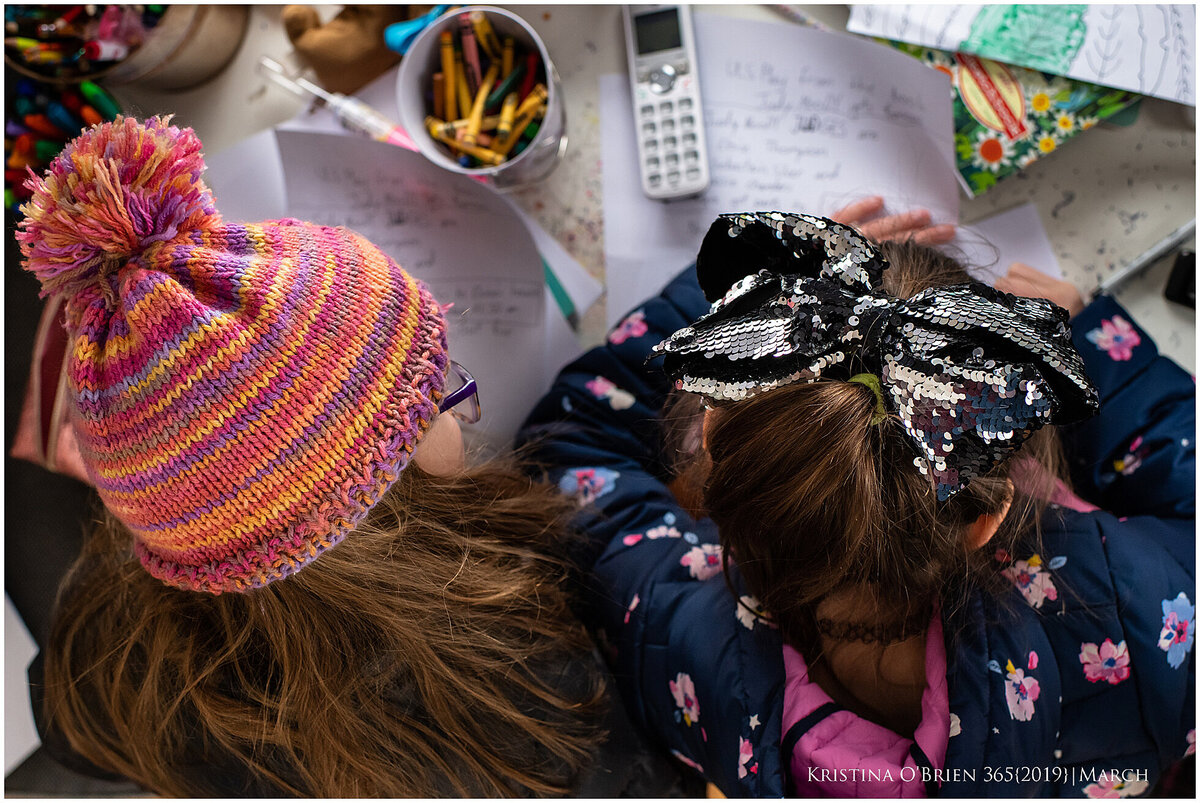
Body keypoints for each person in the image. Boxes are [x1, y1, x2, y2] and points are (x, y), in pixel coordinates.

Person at [16, 116, 683, 798]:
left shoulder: (112, 656)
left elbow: (61, 710)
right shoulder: (531, 696)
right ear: (378, 502)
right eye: (440, 389)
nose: (456, 392)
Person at [519, 211, 1195, 797]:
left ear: (717, 445)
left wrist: (727, 311)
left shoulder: (685, 647)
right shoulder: (1143, 617)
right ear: (984, 520)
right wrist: (1102, 360)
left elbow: (569, 443)